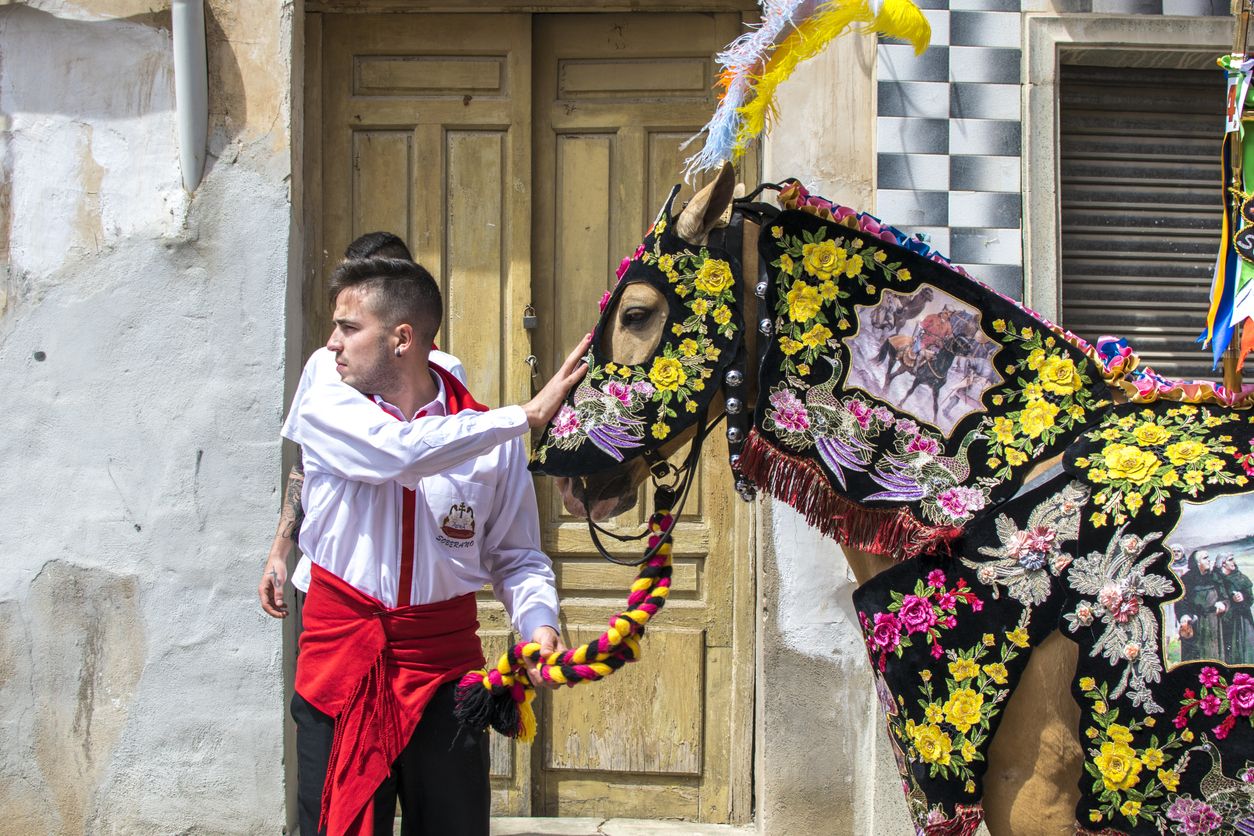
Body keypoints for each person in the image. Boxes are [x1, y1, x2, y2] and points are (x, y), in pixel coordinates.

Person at [267, 254, 590, 835]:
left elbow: (516, 556)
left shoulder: (491, 437)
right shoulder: (326, 403)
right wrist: (526, 414)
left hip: (444, 673)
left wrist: (539, 626)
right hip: (343, 665)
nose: (332, 346)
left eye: (348, 328)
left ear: (402, 338)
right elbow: (400, 452)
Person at [260, 232, 464, 620]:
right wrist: (278, 554)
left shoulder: (448, 372)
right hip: (334, 581)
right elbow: (305, 463)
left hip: (411, 591)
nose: (337, 341)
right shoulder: (323, 365)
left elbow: (441, 457)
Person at [1178, 549, 1226, 662]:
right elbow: (1180, 602)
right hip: (1195, 621)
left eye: (1208, 557)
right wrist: (1184, 615)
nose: (1209, 560)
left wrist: (1223, 604)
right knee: (1195, 656)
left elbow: (1224, 596)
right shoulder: (1186, 579)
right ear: (1197, 563)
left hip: (1214, 621)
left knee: (1213, 653)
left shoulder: (1215, 576)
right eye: (1205, 558)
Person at [1219, 553, 1254, 664]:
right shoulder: (1217, 579)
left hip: (1242, 618)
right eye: (1230, 559)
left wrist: (1242, 596)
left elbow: (1250, 598)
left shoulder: (1241, 578)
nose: (1233, 562)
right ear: (1223, 563)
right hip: (1224, 618)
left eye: (1233, 559)